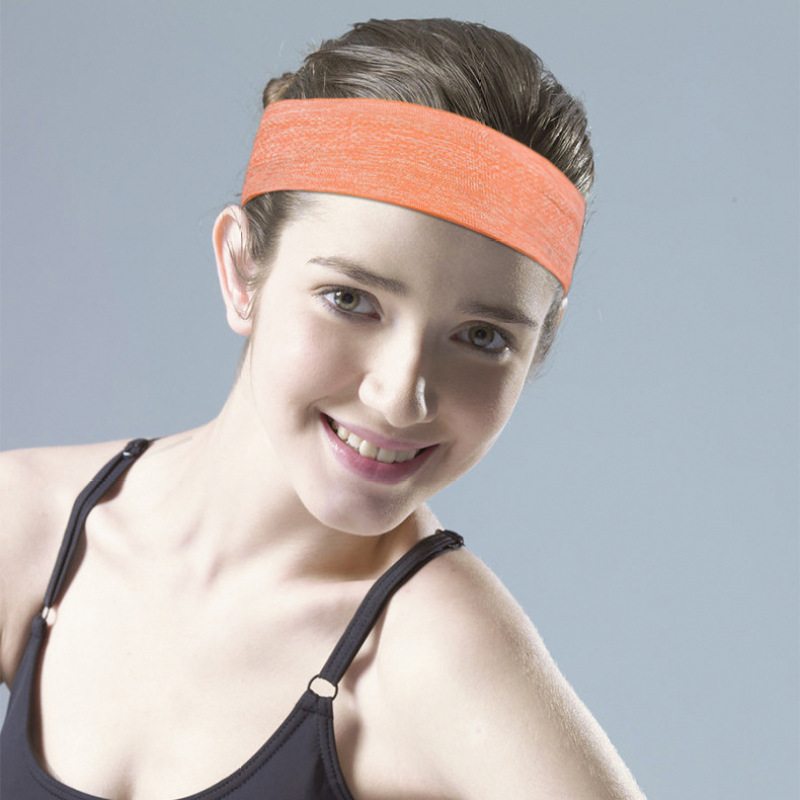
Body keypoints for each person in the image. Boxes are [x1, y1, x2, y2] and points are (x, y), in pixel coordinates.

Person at [0, 17, 644, 800]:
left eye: (482, 336)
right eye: (351, 299)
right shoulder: (26, 528)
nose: (401, 395)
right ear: (242, 270)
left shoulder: (436, 653)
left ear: (538, 345)